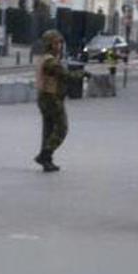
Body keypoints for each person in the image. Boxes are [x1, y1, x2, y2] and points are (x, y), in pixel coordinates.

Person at [34, 30, 86, 172]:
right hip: (51, 98)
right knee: (62, 128)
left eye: (60, 43)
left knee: (49, 130)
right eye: (57, 43)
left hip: (45, 97)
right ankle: (45, 155)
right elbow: (65, 75)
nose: (60, 46)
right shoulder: (50, 61)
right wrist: (82, 74)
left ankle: (47, 161)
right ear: (49, 44)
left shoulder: (44, 58)